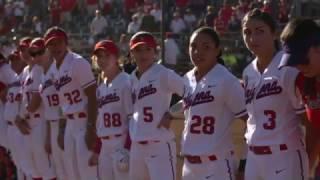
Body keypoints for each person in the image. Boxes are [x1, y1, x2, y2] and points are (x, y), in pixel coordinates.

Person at [241, 9, 308, 180]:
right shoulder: (248, 72)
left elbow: (307, 118)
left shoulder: (288, 68)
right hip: (254, 158)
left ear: (274, 33)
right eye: (247, 32)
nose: (252, 38)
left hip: (284, 155)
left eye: (260, 31)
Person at [178, 26, 247, 180]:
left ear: (217, 50)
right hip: (188, 167)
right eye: (193, 46)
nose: (198, 52)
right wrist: (167, 113)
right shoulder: (187, 78)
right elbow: (185, 105)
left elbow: (251, 122)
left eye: (206, 47)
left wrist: (244, 162)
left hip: (217, 166)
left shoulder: (227, 80)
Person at [128, 31, 185, 180]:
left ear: (155, 52)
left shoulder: (164, 74)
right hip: (137, 148)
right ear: (131, 53)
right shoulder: (131, 79)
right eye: (138, 50)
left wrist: (172, 113)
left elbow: (193, 95)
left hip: (159, 146)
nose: (143, 54)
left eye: (148, 49)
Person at [44, 26, 98, 180]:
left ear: (66, 43)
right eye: (51, 44)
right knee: (71, 173)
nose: (55, 47)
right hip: (69, 123)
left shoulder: (78, 62)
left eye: (59, 42)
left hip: (83, 121)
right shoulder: (54, 69)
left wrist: (91, 127)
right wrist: (61, 130)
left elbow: (93, 96)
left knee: (87, 173)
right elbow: (62, 102)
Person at [280, 18, 320, 180]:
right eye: (294, 62)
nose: (300, 67)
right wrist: (307, 170)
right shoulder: (304, 81)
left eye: (303, 60)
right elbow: (314, 129)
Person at [88, 40, 131, 180]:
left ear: (117, 58)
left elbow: (133, 119)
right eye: (99, 56)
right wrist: (97, 150)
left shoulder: (126, 81)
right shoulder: (100, 88)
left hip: (121, 141)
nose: (102, 60)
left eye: (107, 55)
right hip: (105, 146)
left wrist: (128, 148)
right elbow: (101, 124)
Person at [26, 37, 67, 180]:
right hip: (52, 125)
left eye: (40, 52)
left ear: (48, 51)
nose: (37, 57)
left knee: (69, 171)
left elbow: (64, 103)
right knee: (60, 171)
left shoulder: (57, 71)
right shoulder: (43, 75)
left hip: (66, 125)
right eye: (33, 54)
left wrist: (62, 130)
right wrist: (49, 136)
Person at [18, 37, 57, 180]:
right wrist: (20, 118)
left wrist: (20, 117)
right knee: (34, 168)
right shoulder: (26, 71)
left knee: (46, 168)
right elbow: (22, 100)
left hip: (41, 121)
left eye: (38, 52)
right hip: (29, 123)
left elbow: (34, 104)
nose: (26, 53)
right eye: (32, 52)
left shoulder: (40, 70)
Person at [4, 50, 26, 180]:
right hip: (10, 128)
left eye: (16, 59)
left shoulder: (27, 77)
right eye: (11, 60)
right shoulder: (13, 79)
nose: (13, 62)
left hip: (20, 127)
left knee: (26, 165)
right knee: (18, 165)